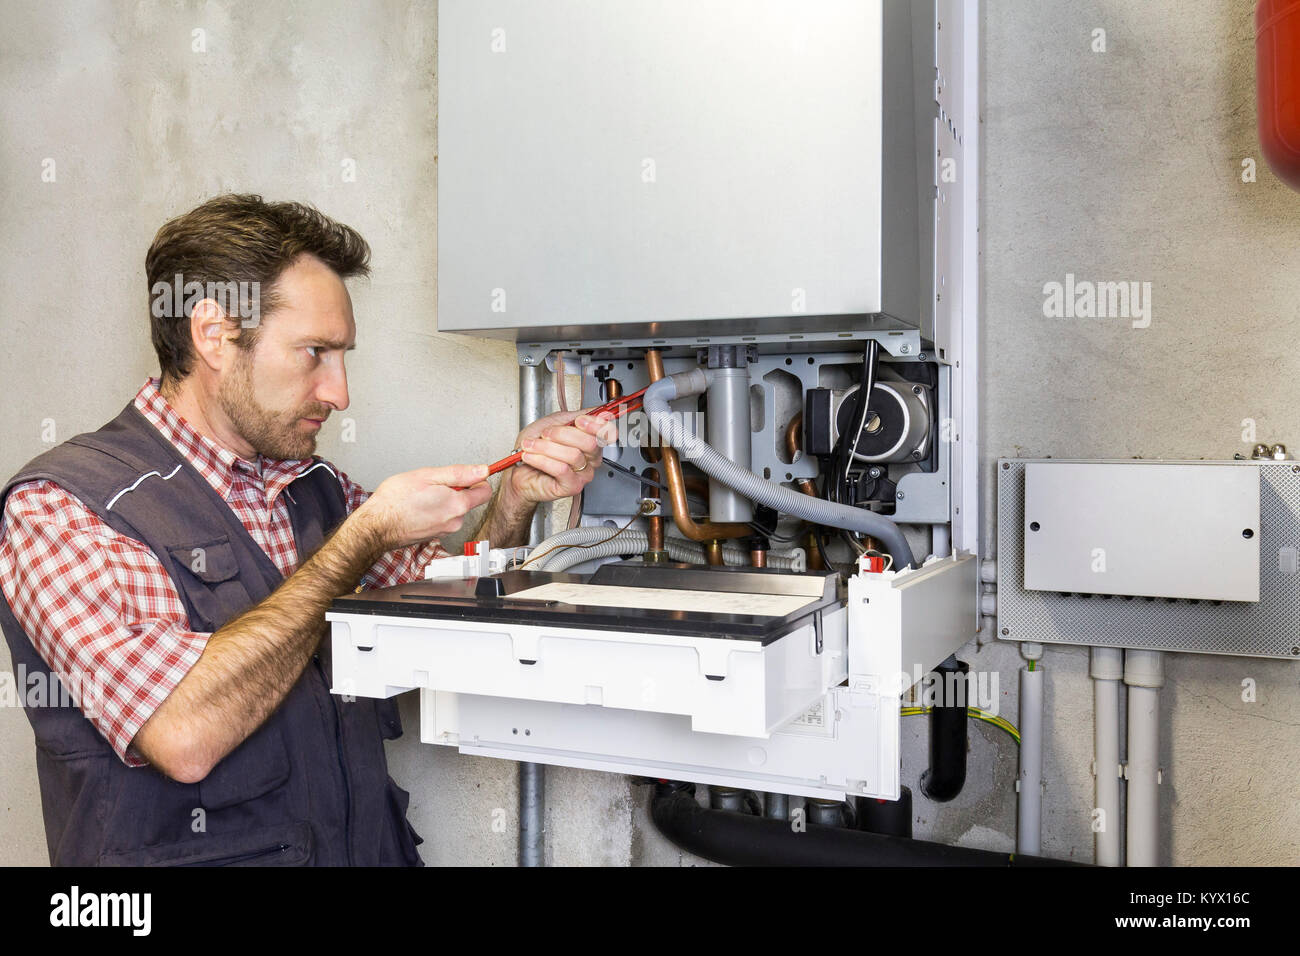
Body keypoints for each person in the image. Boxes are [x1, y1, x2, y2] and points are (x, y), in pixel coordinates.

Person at [0, 194, 612, 866]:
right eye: (314, 352)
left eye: (342, 355)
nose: (339, 392)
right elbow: (182, 734)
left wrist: (515, 496)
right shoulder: (63, 508)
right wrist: (362, 536)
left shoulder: (308, 486)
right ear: (213, 335)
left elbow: (439, 615)